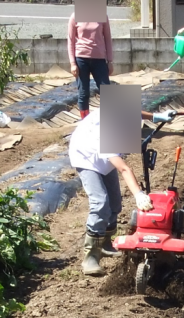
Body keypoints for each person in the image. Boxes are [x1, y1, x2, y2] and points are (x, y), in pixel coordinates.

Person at [69, 107, 178, 276]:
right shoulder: (106, 138)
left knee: (114, 203)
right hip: (85, 156)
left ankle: (105, 243)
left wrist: (156, 116)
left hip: (102, 156)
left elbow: (133, 111)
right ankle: (91, 257)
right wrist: (139, 195)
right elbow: (124, 169)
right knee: (100, 203)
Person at [67, 13, 113, 120]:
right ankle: (85, 122)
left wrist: (110, 61)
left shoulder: (103, 16)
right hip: (81, 60)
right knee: (84, 93)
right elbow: (70, 41)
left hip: (99, 60)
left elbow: (108, 39)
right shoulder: (75, 17)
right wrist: (73, 63)